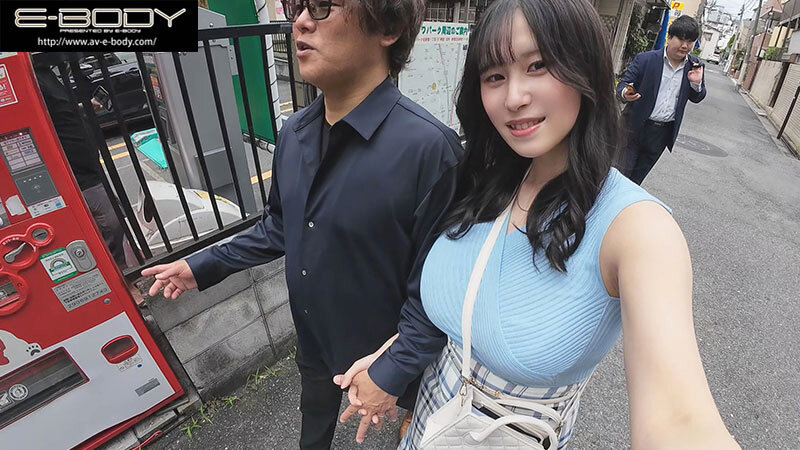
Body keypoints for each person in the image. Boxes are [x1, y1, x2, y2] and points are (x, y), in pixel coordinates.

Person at [334, 0, 739, 448]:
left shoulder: (637, 228)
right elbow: (455, 306)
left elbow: (680, 421)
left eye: (538, 65)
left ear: (585, 69)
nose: (513, 97)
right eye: (494, 76)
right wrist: (390, 363)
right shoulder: (482, 179)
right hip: (429, 430)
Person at [141, 0, 463, 447]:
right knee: (314, 423)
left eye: (324, 6)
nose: (301, 22)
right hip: (314, 338)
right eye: (298, 6)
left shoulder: (431, 150)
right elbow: (278, 226)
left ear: (387, 27)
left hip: (386, 352)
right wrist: (201, 265)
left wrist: (394, 370)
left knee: (411, 427)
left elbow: (442, 288)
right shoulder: (294, 132)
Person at [33, 58, 127, 267]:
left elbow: (59, 114)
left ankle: (122, 264)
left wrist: (83, 108)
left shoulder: (45, 72)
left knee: (114, 218)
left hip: (88, 168)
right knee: (111, 221)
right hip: (77, 173)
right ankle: (120, 271)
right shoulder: (31, 77)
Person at [616, 15, 707, 185]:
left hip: (661, 135)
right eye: (681, 39)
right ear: (669, 37)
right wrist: (625, 93)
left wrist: (696, 84)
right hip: (633, 128)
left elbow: (698, 97)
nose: (685, 45)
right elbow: (622, 85)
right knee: (619, 177)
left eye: (690, 41)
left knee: (635, 183)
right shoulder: (645, 59)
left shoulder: (695, 66)